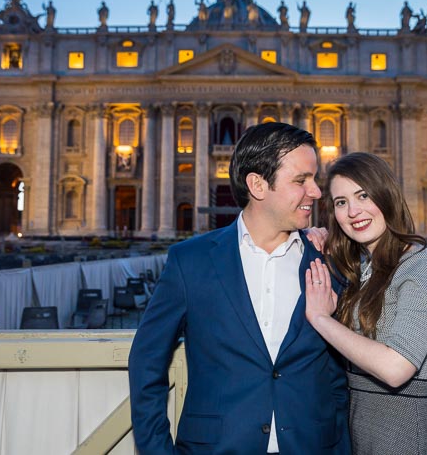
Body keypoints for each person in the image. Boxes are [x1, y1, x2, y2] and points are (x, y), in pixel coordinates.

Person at [129, 122, 350, 454]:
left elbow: (336, 374)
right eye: (301, 181)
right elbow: (147, 361)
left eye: (314, 180)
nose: (317, 192)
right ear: (258, 184)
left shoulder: (326, 260)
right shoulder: (190, 261)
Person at [304, 152, 427, 454]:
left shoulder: (425, 264)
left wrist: (322, 319)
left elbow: (395, 367)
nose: (353, 211)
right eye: (341, 202)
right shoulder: (363, 268)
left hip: (406, 437)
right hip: (361, 435)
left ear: (386, 196)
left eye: (363, 195)